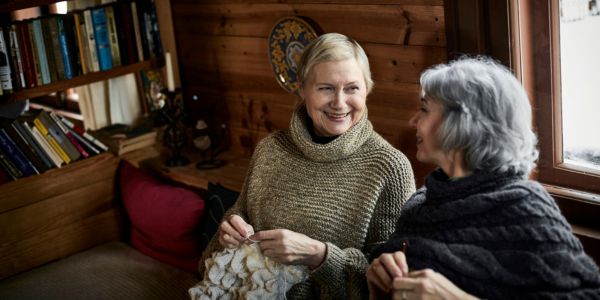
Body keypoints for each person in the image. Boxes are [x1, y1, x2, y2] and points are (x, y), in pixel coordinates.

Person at [197, 32, 416, 299]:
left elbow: (393, 286)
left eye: (352, 88)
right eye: (325, 87)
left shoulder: (389, 167)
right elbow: (231, 227)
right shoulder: (270, 150)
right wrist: (229, 230)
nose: (339, 102)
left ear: (367, 88)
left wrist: (319, 256)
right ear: (302, 90)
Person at [366, 57, 600, 299]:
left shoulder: (527, 208)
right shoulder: (420, 204)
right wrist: (378, 282)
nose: (413, 120)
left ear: (462, 123)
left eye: (424, 109)